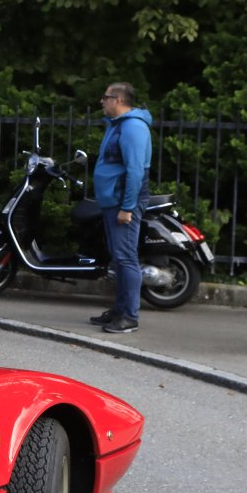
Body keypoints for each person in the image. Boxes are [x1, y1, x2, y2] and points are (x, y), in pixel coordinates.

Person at [90, 82, 153, 334]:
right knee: (118, 257)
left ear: (117, 100)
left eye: (105, 97)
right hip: (113, 200)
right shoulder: (117, 125)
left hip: (123, 201)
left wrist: (127, 207)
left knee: (126, 258)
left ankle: (129, 316)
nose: (101, 101)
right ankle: (119, 310)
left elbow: (135, 171)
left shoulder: (133, 127)